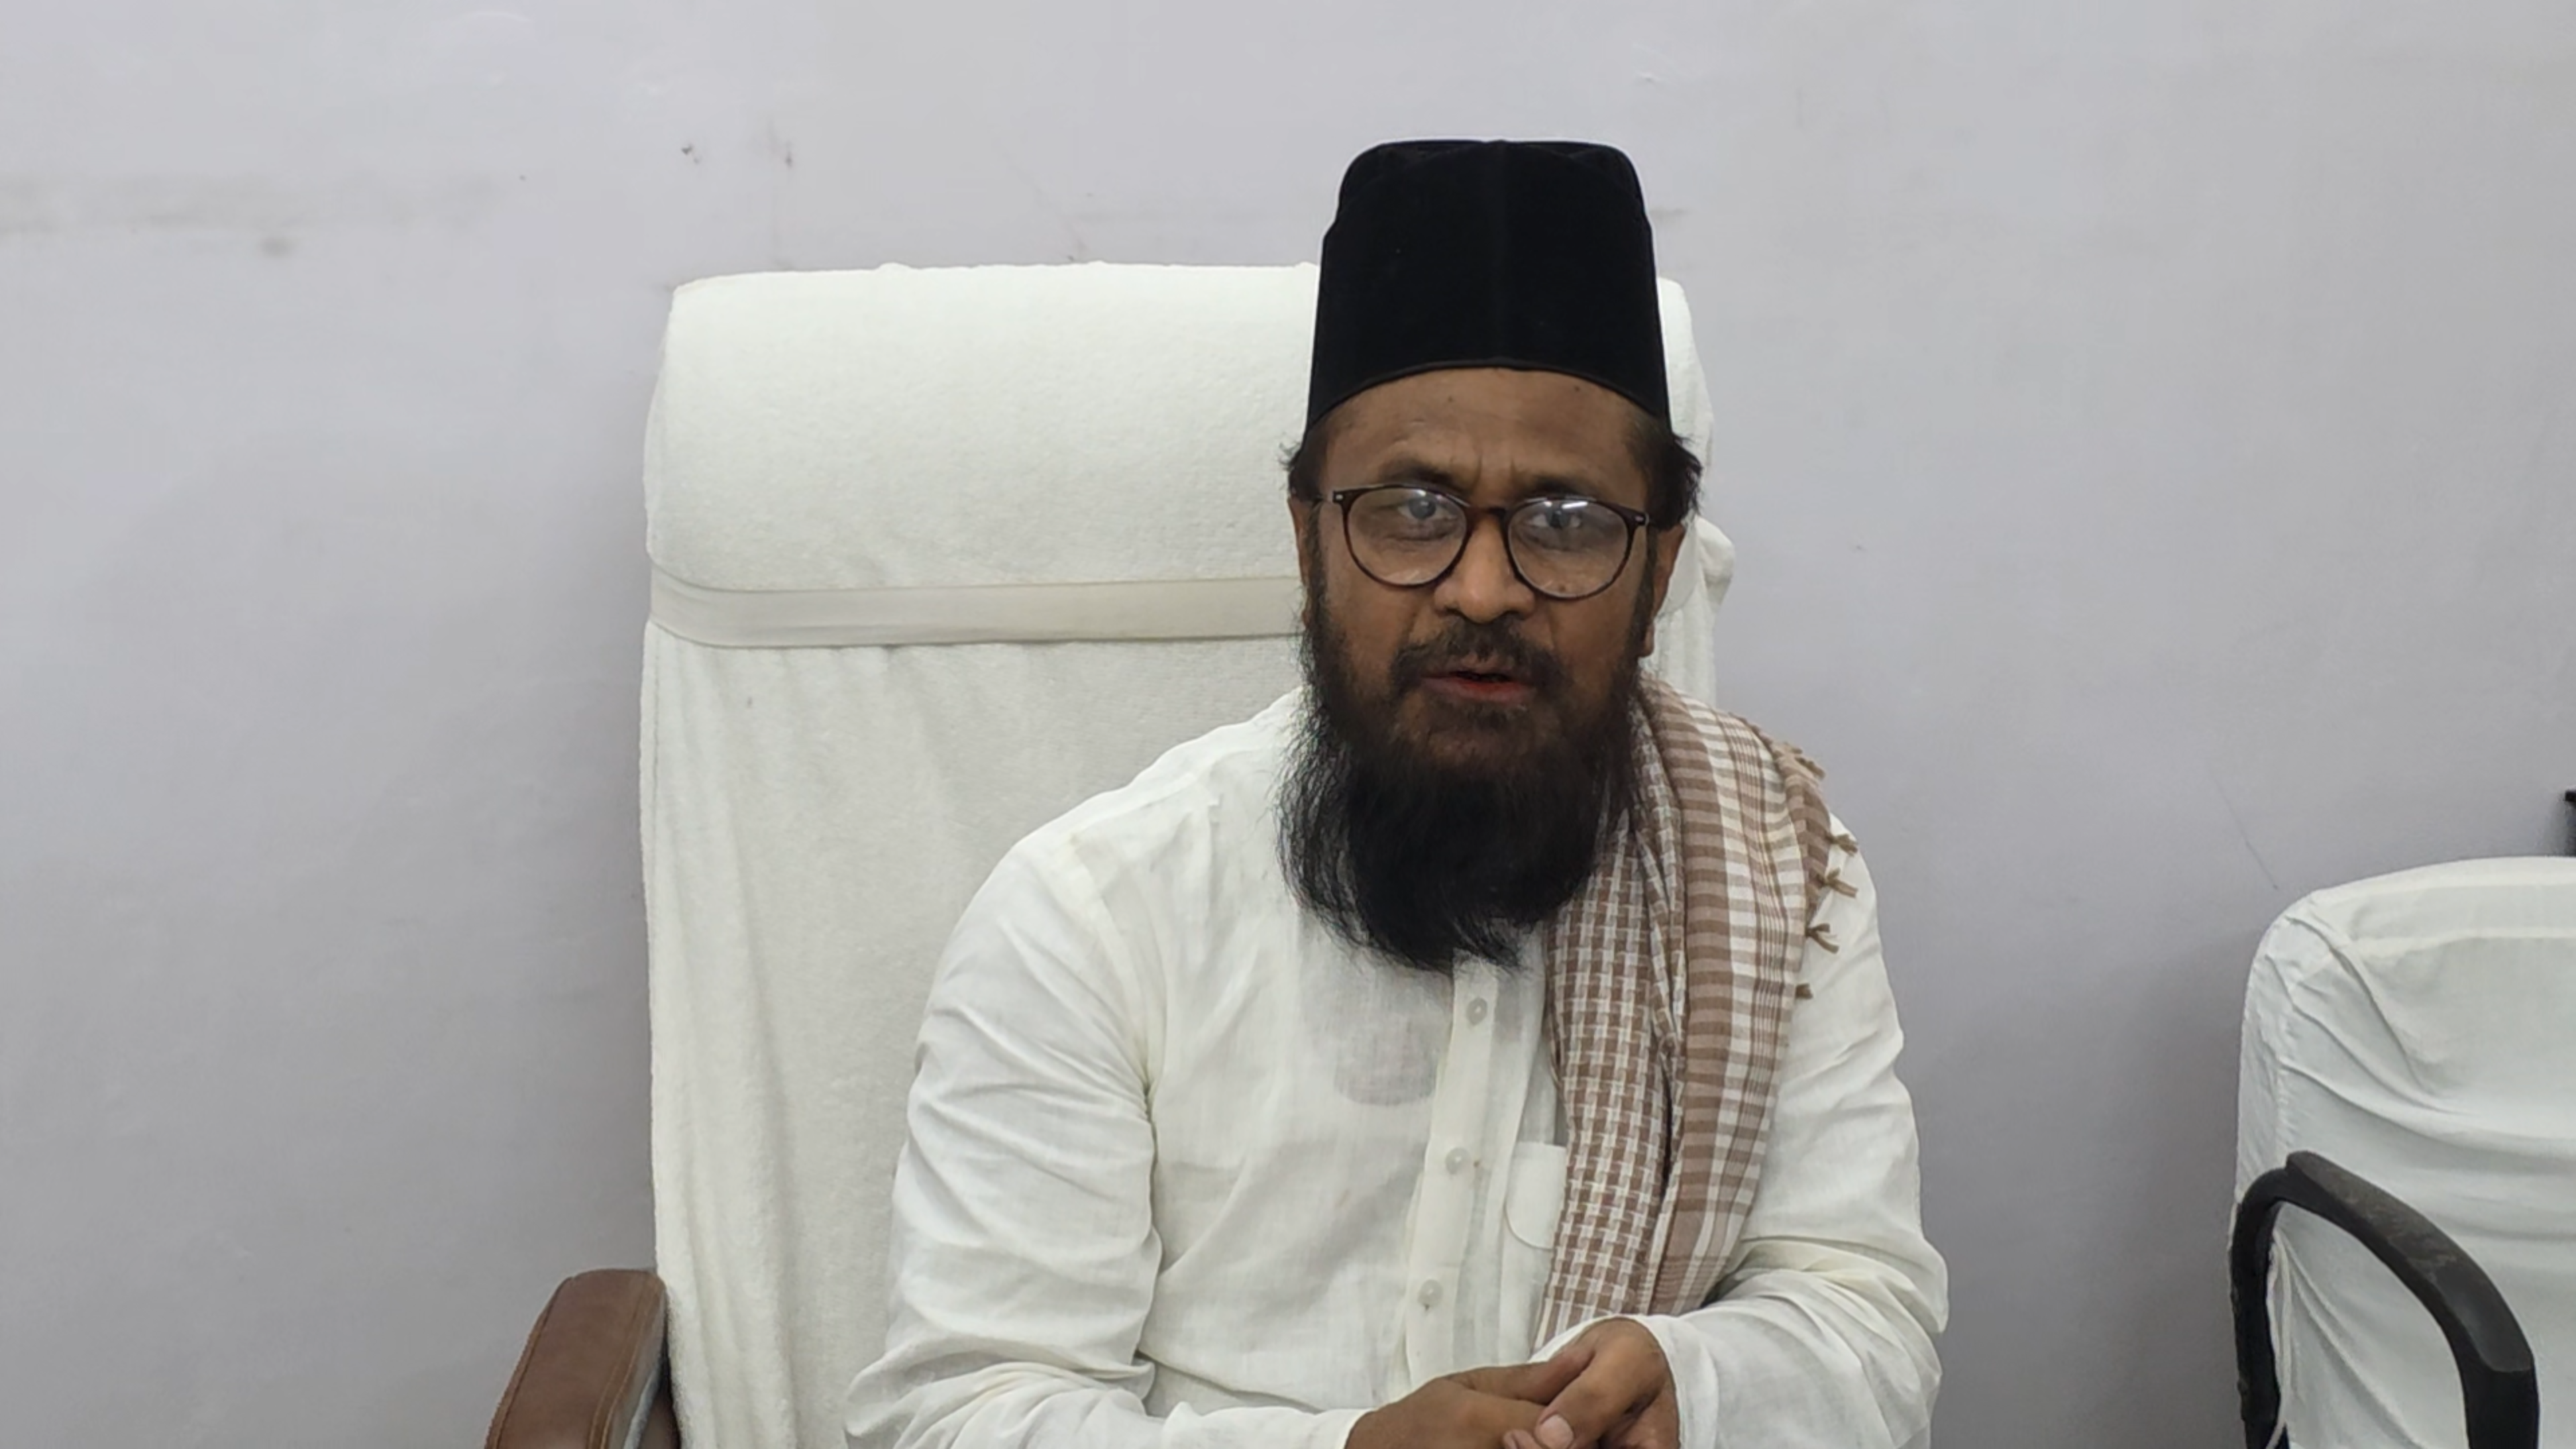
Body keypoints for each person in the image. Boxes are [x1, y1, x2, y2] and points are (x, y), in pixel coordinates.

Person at [846, 139, 1944, 1449]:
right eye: (1414, 511)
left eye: (1565, 520)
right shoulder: (1092, 918)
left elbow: (1867, 1324)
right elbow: (960, 1416)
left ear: (1657, 574)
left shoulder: (1770, 884)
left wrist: (1698, 1386)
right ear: (1309, 536)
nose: (1482, 589)